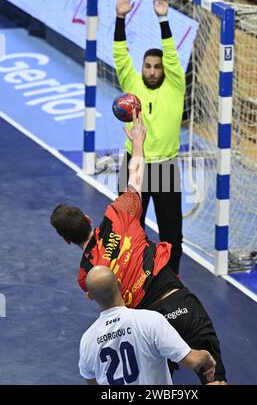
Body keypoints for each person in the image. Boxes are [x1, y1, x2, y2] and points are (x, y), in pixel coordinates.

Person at [50, 111, 227, 385]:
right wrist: (138, 141)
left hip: (144, 326)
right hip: (177, 302)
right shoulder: (119, 214)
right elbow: (136, 176)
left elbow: (103, 296)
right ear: (87, 218)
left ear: (66, 240)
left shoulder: (87, 277)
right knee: (214, 377)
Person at [114, 0, 184, 274]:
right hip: (135, 165)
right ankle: (130, 275)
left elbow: (170, 53)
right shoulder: (132, 83)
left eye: (157, 67)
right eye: (148, 66)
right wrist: (120, 18)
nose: (152, 71)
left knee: (171, 233)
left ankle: (172, 279)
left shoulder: (175, 86)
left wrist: (163, 18)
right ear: (142, 67)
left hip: (166, 166)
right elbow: (120, 55)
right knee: (128, 228)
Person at [79, 265, 216, 385]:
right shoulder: (150, 320)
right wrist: (206, 355)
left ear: (90, 296)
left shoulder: (87, 340)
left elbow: (91, 382)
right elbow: (192, 361)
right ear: (120, 284)